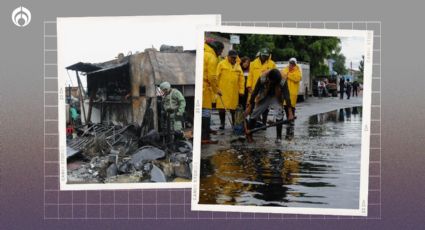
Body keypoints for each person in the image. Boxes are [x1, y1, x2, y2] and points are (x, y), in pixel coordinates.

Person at [244, 69, 294, 143]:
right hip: (264, 95)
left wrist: (290, 113)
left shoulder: (283, 79)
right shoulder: (262, 77)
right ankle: (249, 135)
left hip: (276, 96)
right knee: (255, 113)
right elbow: (255, 92)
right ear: (269, 78)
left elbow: (287, 95)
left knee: (279, 113)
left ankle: (278, 137)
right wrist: (250, 106)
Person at [246, 48, 276, 125]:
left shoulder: (272, 64)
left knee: (265, 107)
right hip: (254, 88)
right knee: (252, 105)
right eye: (263, 56)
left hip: (266, 89)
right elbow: (250, 75)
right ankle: (253, 122)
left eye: (266, 56)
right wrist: (249, 86)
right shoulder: (253, 63)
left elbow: (274, 76)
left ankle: (264, 123)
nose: (264, 58)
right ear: (260, 55)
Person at [216, 50, 245, 130]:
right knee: (222, 108)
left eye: (235, 58)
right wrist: (216, 88)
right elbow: (216, 77)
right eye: (232, 57)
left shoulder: (238, 66)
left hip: (234, 92)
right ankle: (222, 123)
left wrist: (241, 90)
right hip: (223, 90)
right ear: (228, 56)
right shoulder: (221, 64)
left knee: (234, 109)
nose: (234, 59)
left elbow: (241, 79)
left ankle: (234, 123)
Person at [202, 40, 224, 144]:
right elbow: (212, 76)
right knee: (205, 111)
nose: (221, 53)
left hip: (202, 86)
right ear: (217, 49)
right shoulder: (212, 57)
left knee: (203, 111)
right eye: (221, 51)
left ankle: (206, 130)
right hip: (205, 87)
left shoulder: (204, 53)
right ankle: (205, 137)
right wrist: (217, 90)